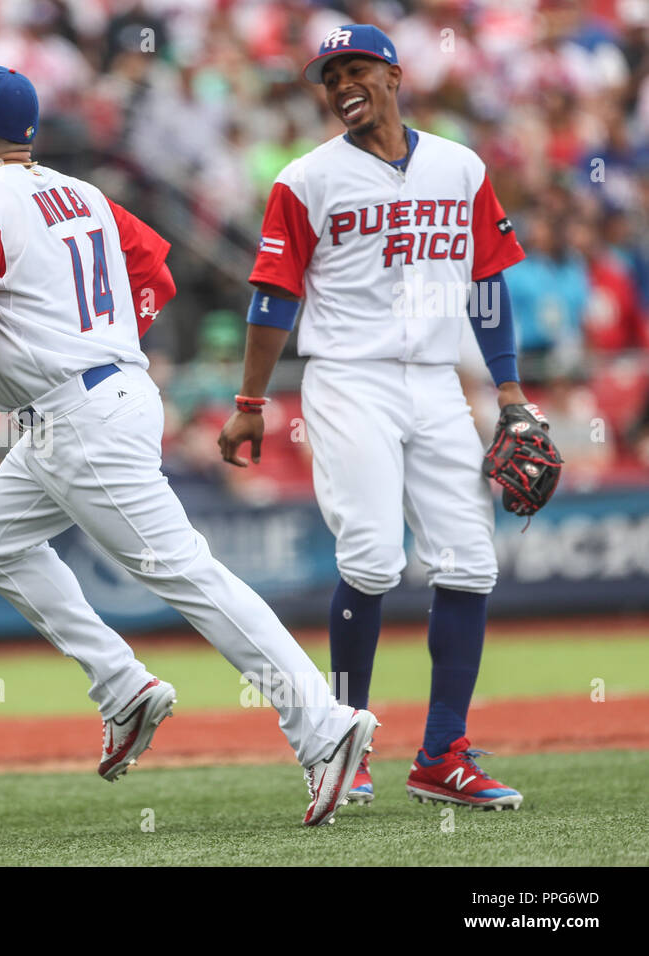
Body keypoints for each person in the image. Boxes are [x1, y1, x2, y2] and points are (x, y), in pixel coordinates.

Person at [0, 63, 376, 826]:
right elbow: (157, 275)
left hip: (79, 414)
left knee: (189, 575)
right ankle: (122, 686)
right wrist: (93, 341)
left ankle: (325, 727)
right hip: (97, 400)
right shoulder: (85, 193)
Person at [219, 25, 534, 812]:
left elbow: (488, 285)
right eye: (329, 76)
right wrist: (250, 402)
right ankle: (341, 738)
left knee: (469, 562)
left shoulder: (460, 166)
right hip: (347, 378)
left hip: (434, 381)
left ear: (393, 75)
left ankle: (443, 755)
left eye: (355, 67)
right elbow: (273, 297)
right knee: (370, 560)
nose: (340, 83)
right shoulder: (306, 177)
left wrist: (511, 393)